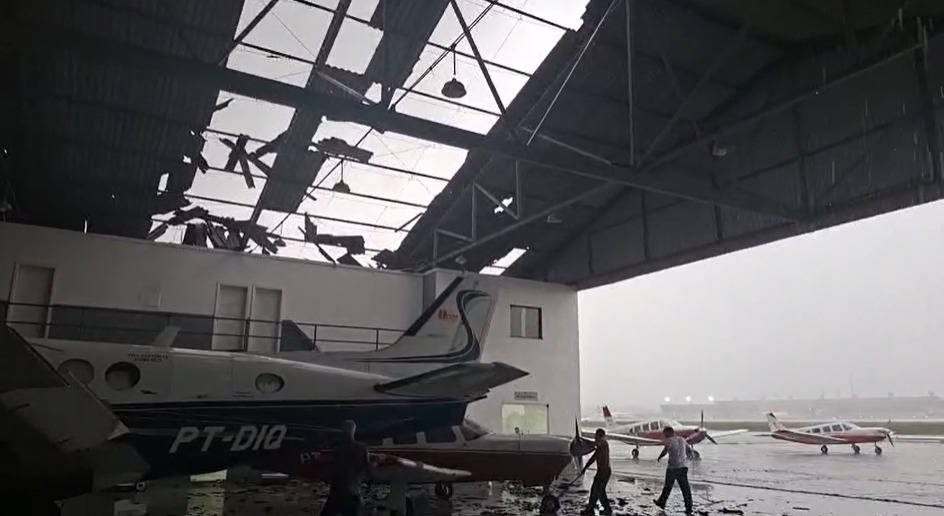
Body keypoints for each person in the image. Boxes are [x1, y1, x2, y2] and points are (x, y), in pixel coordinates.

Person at [320, 420, 371, 516]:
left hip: (338, 491)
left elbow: (334, 468)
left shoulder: (338, 448)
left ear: (343, 431)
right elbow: (367, 468)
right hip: (353, 490)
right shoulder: (362, 448)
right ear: (354, 430)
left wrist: (327, 479)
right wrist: (369, 482)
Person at [654, 426, 693, 514]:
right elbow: (689, 451)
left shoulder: (669, 440)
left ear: (669, 432)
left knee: (667, 487)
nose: (664, 435)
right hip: (683, 467)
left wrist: (659, 457)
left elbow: (665, 451)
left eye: (665, 434)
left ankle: (661, 502)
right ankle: (689, 507)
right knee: (685, 489)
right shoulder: (683, 439)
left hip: (673, 467)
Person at [579, 428, 612, 515]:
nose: (595, 439)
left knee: (599, 491)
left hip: (603, 472)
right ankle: (595, 508)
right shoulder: (602, 445)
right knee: (596, 490)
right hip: (603, 472)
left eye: (596, 437)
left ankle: (603, 509)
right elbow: (594, 456)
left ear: (600, 437)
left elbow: (594, 457)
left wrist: (585, 467)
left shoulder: (602, 446)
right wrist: (585, 467)